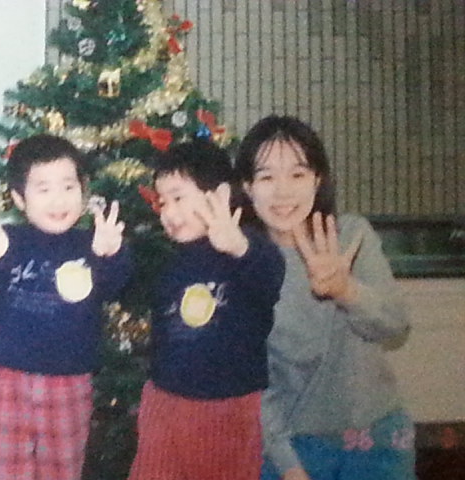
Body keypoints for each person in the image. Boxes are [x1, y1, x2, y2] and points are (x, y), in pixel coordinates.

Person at [234, 115, 416, 480]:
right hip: (289, 445)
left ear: (317, 180)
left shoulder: (351, 235)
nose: (283, 192)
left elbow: (396, 326)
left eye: (297, 174)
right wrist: (289, 467)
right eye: (267, 177)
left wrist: (346, 290)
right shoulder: (241, 263)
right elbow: (252, 382)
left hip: (376, 437)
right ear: (248, 187)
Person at [0, 133, 132, 480]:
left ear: (83, 190)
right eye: (43, 189)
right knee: (6, 469)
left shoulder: (91, 244)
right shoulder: (9, 239)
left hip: (69, 381)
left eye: (68, 187)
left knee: (63, 468)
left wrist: (109, 255)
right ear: (19, 198)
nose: (59, 199)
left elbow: (117, 283)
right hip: (7, 379)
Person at [128, 139, 286, 480]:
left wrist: (238, 246)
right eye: (162, 202)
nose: (168, 213)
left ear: (220, 195)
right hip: (164, 400)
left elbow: (270, 279)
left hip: (227, 407)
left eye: (178, 198)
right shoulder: (171, 263)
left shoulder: (248, 248)